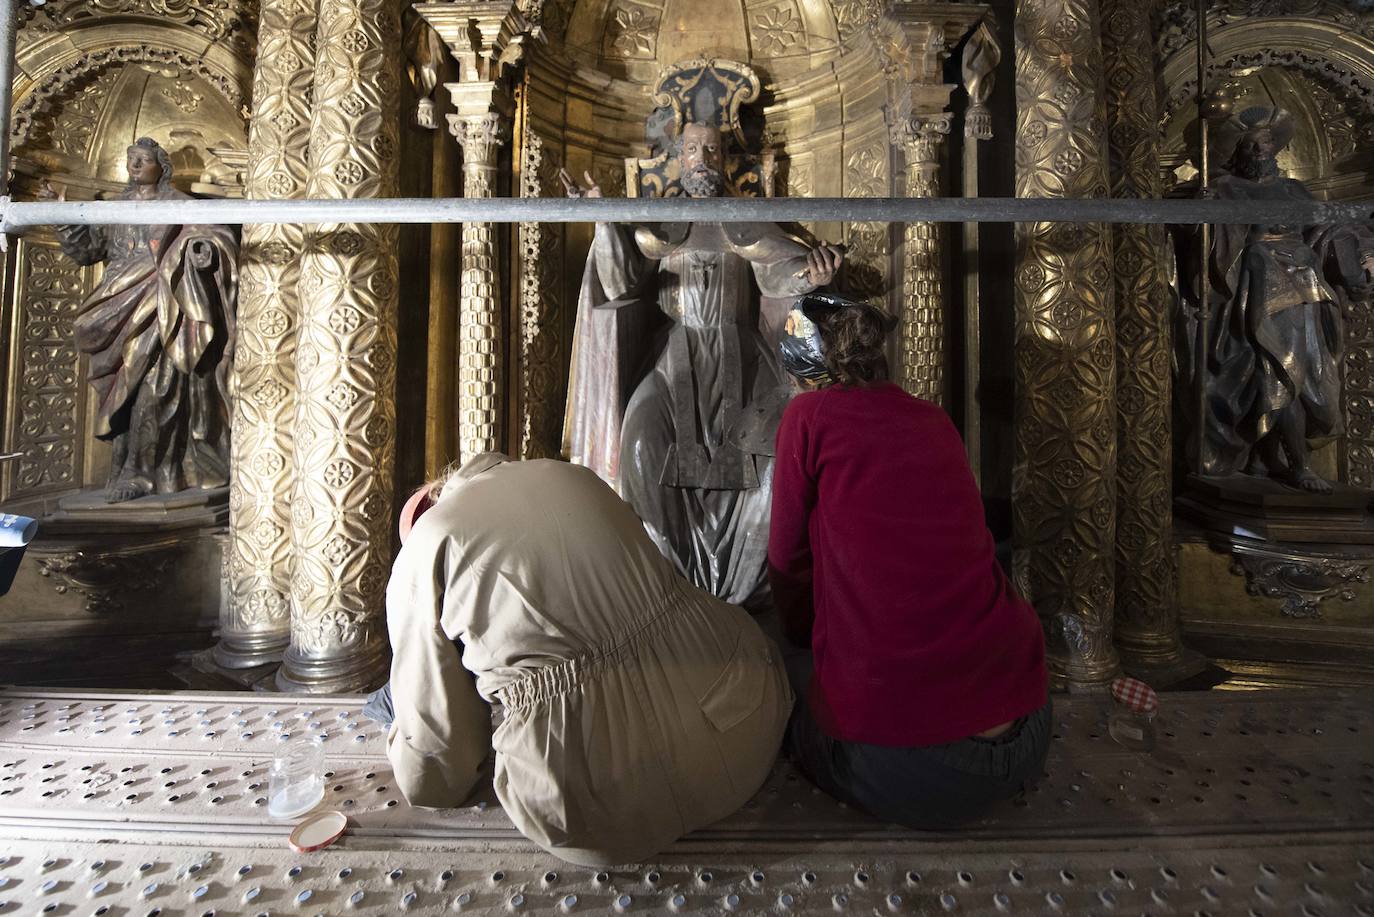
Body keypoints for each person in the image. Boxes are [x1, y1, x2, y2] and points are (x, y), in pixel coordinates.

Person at [370, 454, 792, 866]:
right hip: (745, 722)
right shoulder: (571, 474)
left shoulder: (423, 549)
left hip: (600, 811)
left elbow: (438, 771)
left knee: (393, 699)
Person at [767, 293, 1050, 829]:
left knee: (778, 676)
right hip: (1028, 728)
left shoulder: (808, 416)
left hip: (907, 766)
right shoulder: (933, 419)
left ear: (804, 376)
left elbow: (786, 560)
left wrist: (803, 637)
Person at [560, 121, 842, 607]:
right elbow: (621, 277)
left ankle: (745, 580)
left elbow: (778, 273)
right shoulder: (661, 222)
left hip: (743, 361)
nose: (704, 157)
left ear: (725, 159)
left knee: (775, 458)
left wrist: (810, 274)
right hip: (674, 361)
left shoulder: (744, 220)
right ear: (679, 157)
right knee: (642, 442)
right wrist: (604, 218)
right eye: (693, 148)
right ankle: (664, 575)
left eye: (713, 149)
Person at [1181, 106, 1374, 492]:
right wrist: (1200, 210)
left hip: (1307, 290)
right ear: (1237, 151)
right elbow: (1202, 242)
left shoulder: (1293, 190)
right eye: (1251, 145)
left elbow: (1328, 228)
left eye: (1266, 143)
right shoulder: (1224, 188)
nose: (1260, 151)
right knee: (1279, 372)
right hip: (1257, 290)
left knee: (1309, 373)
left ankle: (1266, 457)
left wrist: (1361, 257)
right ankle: (1298, 465)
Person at [41, 137, 238, 502]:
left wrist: (199, 251)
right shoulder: (115, 208)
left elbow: (216, 237)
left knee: (158, 390)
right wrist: (60, 216)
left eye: (143, 159)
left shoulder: (180, 205)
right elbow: (87, 251)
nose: (134, 165)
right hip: (117, 305)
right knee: (124, 396)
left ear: (162, 167)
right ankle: (124, 469)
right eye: (131, 159)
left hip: (162, 307)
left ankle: (143, 475)